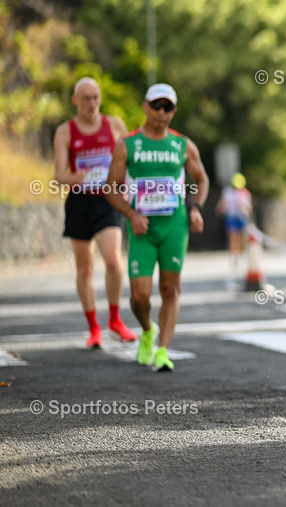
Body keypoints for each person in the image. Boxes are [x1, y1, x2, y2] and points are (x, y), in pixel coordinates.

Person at [105, 83, 209, 372]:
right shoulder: (128, 144)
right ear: (145, 107)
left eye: (168, 108)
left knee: (171, 290)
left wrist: (196, 208)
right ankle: (147, 330)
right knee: (139, 296)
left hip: (174, 226)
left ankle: (163, 350)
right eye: (156, 106)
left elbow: (202, 180)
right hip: (142, 229)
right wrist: (130, 214)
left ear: (174, 111)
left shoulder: (183, 145)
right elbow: (111, 189)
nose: (161, 113)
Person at [53, 77, 136, 349]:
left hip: (107, 201)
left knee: (113, 260)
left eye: (96, 97)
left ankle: (115, 318)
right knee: (85, 267)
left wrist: (127, 188)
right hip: (79, 202)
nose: (92, 103)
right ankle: (93, 328)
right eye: (86, 98)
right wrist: (73, 178)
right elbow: (59, 175)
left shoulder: (114, 126)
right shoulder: (65, 132)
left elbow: (129, 162)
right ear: (75, 100)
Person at [217, 172, 252, 276]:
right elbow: (222, 204)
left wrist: (243, 206)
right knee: (233, 238)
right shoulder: (227, 192)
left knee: (242, 239)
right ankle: (234, 258)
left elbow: (249, 209)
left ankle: (241, 256)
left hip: (242, 217)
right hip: (231, 217)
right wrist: (220, 208)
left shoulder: (245, 193)